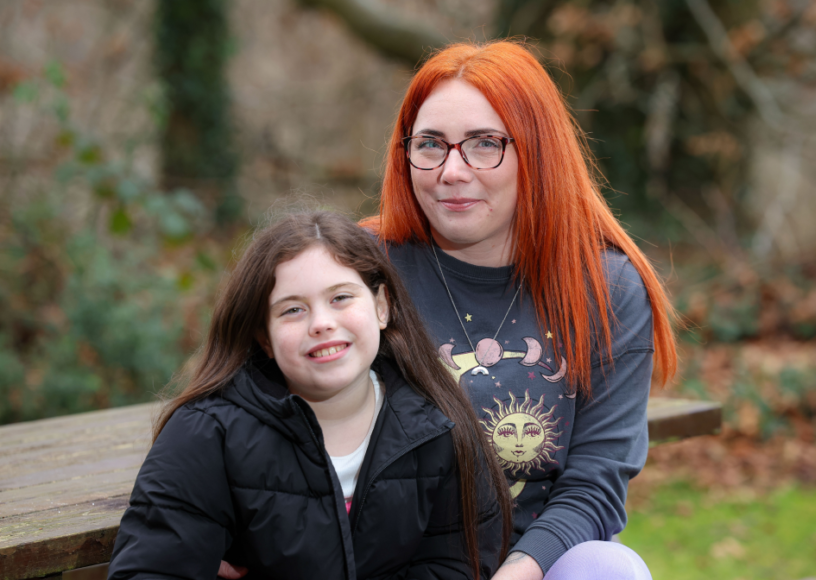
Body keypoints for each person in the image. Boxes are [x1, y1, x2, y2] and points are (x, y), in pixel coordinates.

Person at [357, 40, 678, 580]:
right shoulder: (360, 271)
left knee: (607, 569)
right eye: (431, 144)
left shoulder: (606, 288)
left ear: (538, 150)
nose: (452, 171)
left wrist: (518, 573)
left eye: (485, 144)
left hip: (534, 564)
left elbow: (595, 484)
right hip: (387, 558)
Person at [107, 212, 512, 580]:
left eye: (340, 298)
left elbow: (455, 567)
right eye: (292, 310)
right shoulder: (206, 434)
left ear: (382, 307)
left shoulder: (438, 429)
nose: (321, 323)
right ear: (263, 337)